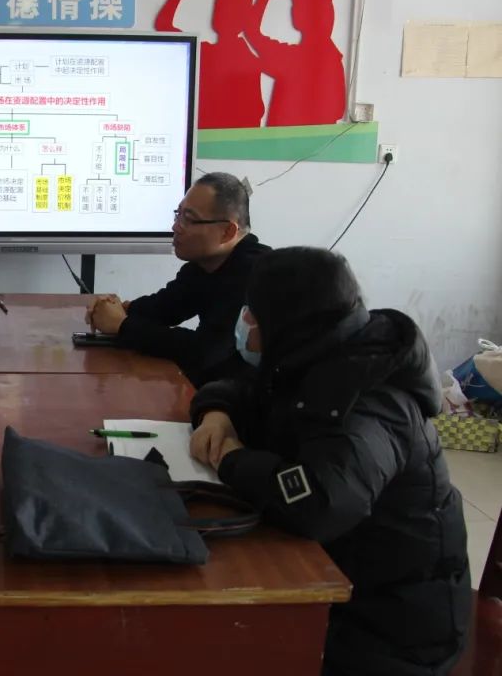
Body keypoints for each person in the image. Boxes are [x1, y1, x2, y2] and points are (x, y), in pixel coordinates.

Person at [189, 247, 470, 676]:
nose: (244, 322)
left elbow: (320, 503)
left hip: (390, 632)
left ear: (285, 321)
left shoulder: (371, 401)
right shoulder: (320, 352)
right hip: (348, 582)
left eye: (252, 313)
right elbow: (246, 391)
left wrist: (231, 460)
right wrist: (217, 414)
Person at [86, 172, 270, 386]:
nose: (175, 227)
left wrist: (122, 325)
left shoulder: (256, 274)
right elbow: (166, 308)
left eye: (189, 219)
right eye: (178, 215)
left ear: (228, 231)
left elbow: (204, 351)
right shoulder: (202, 265)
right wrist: (121, 309)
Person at [155, 0, 295, 128]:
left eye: (228, 6)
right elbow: (163, 25)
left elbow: (163, 24)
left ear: (243, 16)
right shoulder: (206, 53)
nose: (219, 10)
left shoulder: (246, 60)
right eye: (218, 3)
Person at [245, 0, 346, 126]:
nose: (327, 12)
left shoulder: (294, 60)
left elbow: (251, 31)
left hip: (283, 141)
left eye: (326, 4)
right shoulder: (330, 60)